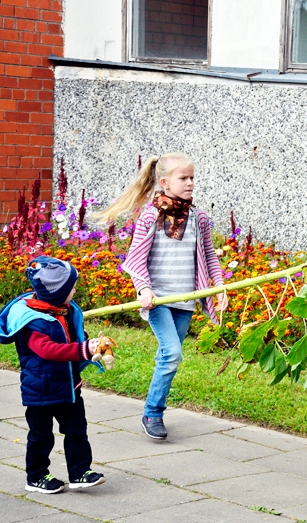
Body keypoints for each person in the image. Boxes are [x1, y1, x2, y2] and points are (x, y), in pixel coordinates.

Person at [93, 153, 228, 440]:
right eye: (183, 178)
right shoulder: (151, 218)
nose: (190, 183)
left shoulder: (198, 218)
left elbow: (209, 255)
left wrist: (219, 287)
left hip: (185, 300)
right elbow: (135, 259)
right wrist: (143, 288)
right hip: (157, 300)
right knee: (173, 354)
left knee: (168, 356)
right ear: (165, 182)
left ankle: (153, 408)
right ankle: (153, 413)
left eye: (192, 177)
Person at [0, 256, 105, 493]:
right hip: (41, 392)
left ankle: (79, 472)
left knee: (77, 431)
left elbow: (71, 339)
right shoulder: (33, 321)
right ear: (57, 292)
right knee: (41, 436)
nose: (75, 289)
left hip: (69, 387)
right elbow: (48, 351)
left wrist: (88, 343)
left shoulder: (61, 311)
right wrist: (83, 350)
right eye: (72, 287)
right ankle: (36, 476)